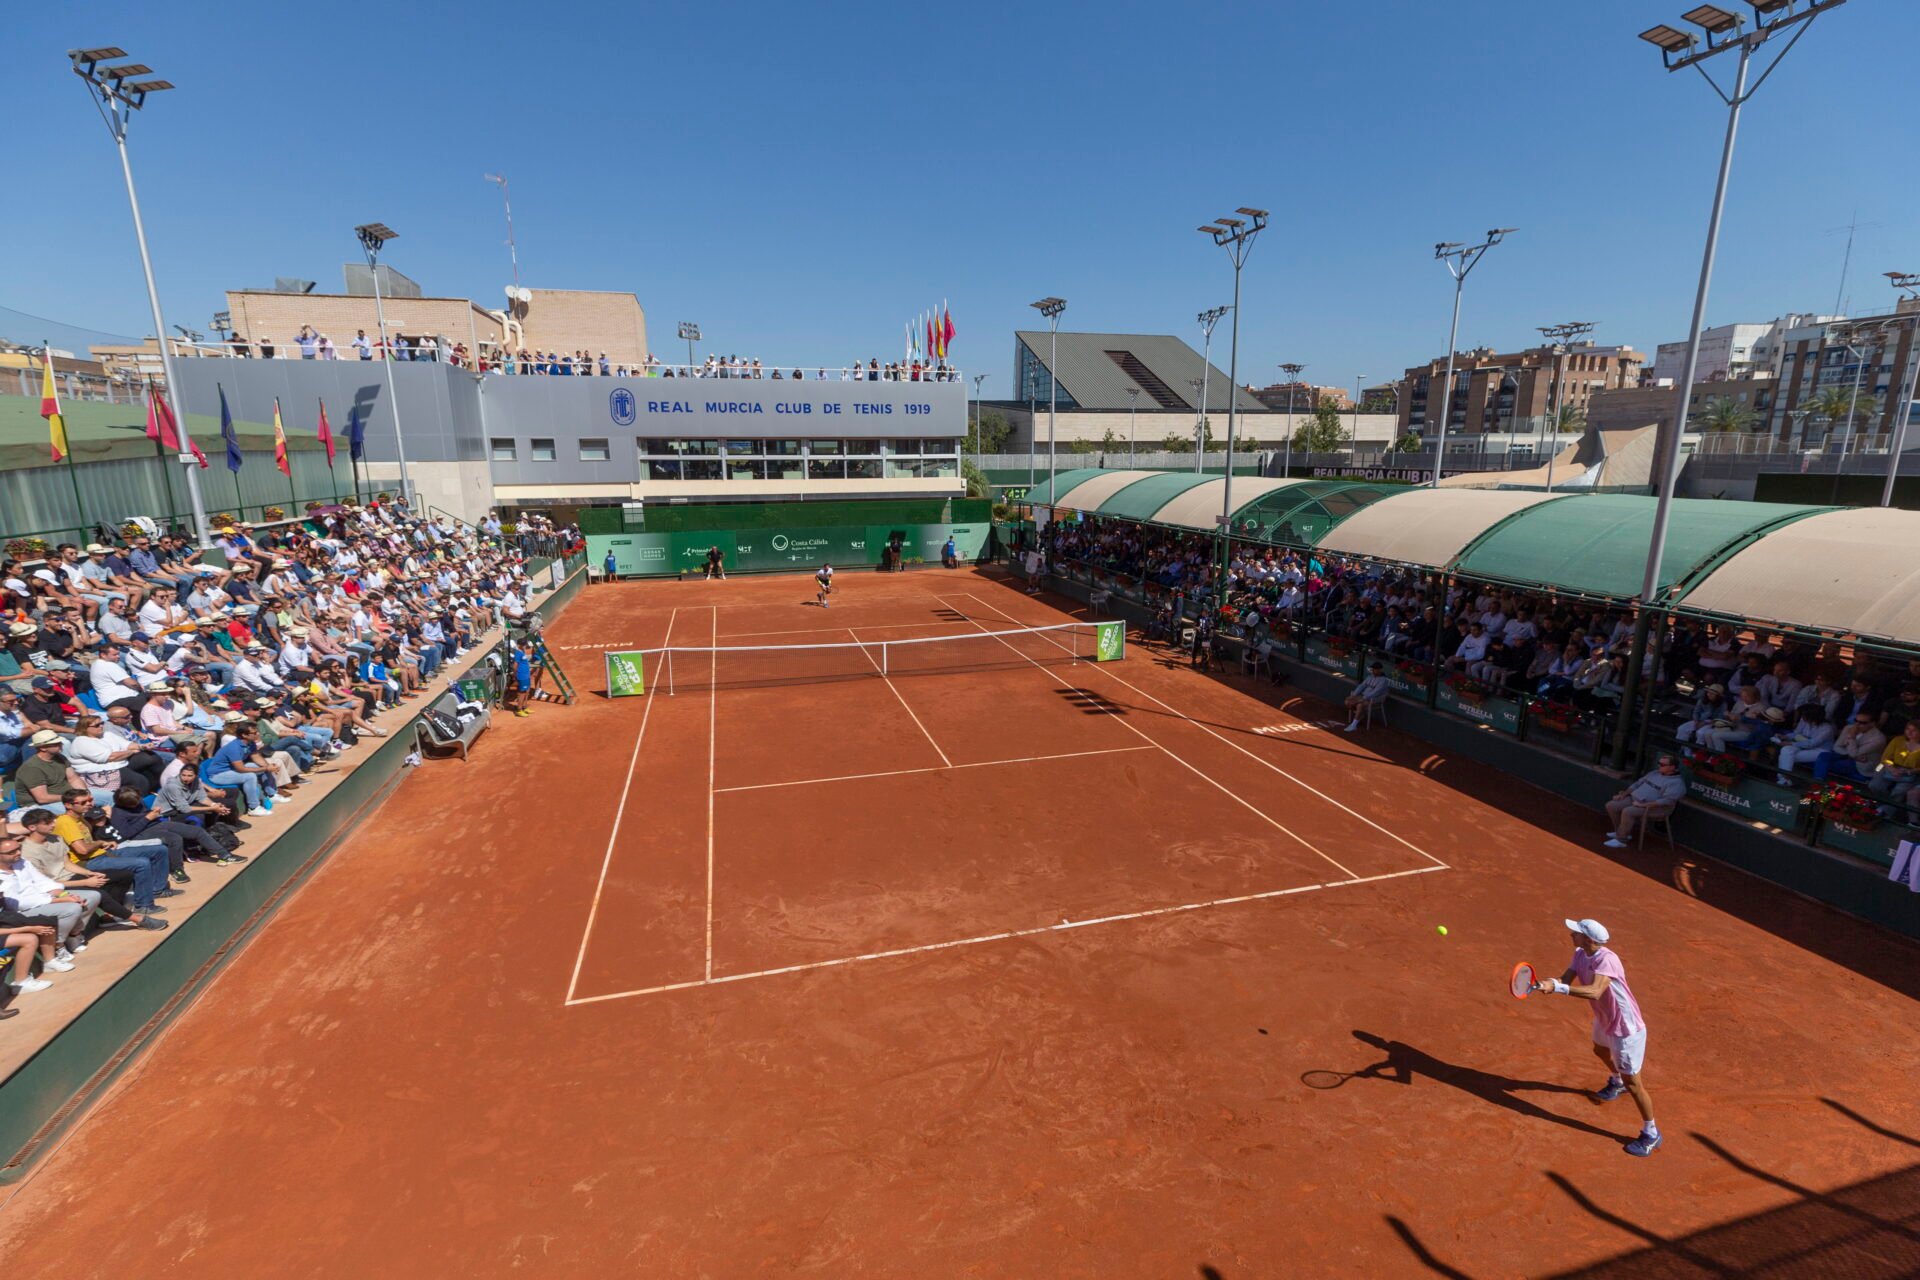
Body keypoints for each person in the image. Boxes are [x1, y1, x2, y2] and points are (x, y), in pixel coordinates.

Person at [1531, 917, 1660, 1157]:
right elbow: (1566, 979)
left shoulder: (1607, 959)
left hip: (1625, 1027)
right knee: (1599, 1050)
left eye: (1576, 933)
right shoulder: (1581, 953)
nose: (1572, 935)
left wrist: (1559, 989)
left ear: (1589, 939)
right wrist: (1546, 983)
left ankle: (1651, 1133)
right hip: (1604, 1018)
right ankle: (1617, 1082)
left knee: (1634, 1083)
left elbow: (1594, 991)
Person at [1603, 755, 1686, 849]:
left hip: (1655, 808)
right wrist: (1623, 795)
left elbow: (1666, 801)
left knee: (1628, 811)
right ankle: (1621, 832)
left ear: (1672, 767)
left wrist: (1642, 805)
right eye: (1659, 763)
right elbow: (1637, 784)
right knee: (1611, 805)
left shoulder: (1677, 783)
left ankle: (1621, 840)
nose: (1659, 766)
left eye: (1662, 764)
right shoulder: (1654, 773)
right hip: (1635, 800)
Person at [1344, 662, 1392, 733]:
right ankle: (1360, 715)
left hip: (1374, 699)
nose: (1373, 670)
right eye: (1372, 669)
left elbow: (1376, 692)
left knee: (1359, 705)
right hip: (1364, 696)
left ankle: (1354, 725)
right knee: (1347, 701)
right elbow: (1362, 686)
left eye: (1375, 669)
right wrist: (1354, 695)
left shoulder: (1383, 680)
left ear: (1380, 670)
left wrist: (1363, 698)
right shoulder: (1370, 677)